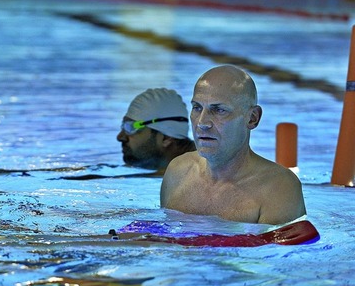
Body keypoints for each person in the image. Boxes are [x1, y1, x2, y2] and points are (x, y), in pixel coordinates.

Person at [160, 65, 306, 225]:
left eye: (219, 110)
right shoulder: (177, 172)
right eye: (197, 108)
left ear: (252, 118)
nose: (202, 123)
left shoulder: (278, 189)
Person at [117, 88, 196, 175]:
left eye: (131, 127)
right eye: (123, 126)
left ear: (166, 138)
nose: (120, 137)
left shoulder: (202, 170)